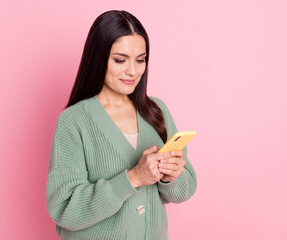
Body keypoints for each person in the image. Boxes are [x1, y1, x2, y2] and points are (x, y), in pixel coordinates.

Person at [46, 10, 197, 240]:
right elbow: (65, 210)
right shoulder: (73, 121)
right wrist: (133, 178)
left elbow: (185, 189)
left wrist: (170, 178)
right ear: (99, 58)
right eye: (120, 60)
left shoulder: (157, 111)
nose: (133, 71)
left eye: (140, 60)